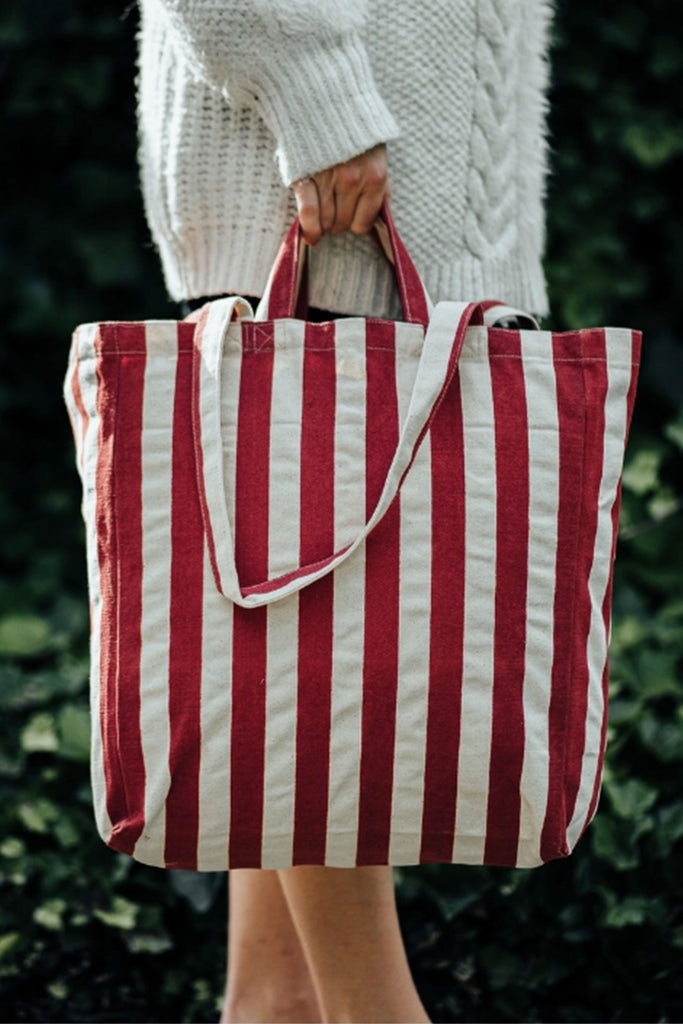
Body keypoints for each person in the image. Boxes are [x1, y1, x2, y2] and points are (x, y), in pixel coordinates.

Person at [135, 2, 553, 1020]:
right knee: (316, 688)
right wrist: (320, 109)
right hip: (325, 186)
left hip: (394, 200)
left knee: (286, 692)